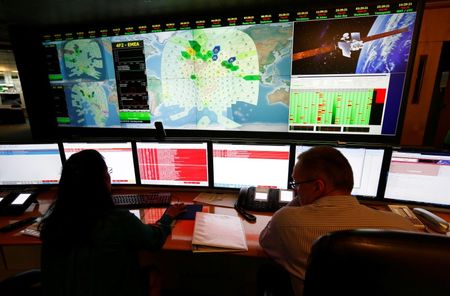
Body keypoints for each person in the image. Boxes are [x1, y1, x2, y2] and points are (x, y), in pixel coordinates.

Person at [259, 146, 416, 296]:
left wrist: (298, 201)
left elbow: (265, 241)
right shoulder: (403, 228)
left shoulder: (285, 222)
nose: (295, 190)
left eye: (297, 184)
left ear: (318, 187)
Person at [39, 149, 186, 296]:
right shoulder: (116, 219)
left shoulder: (52, 222)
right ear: (104, 180)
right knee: (153, 272)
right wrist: (167, 218)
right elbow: (154, 240)